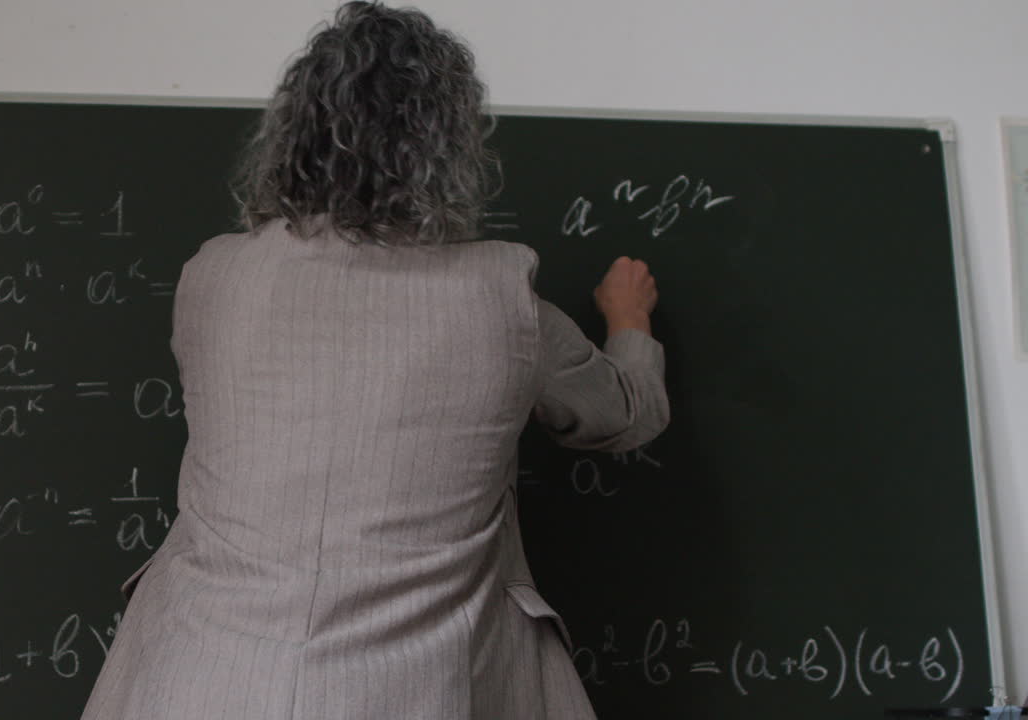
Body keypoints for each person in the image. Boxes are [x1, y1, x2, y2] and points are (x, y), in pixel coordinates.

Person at [79, 3, 668, 719]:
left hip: (196, 679)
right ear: (448, 147)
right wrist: (629, 321)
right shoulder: (501, 293)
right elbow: (623, 416)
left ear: (292, 134)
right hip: (421, 692)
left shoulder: (215, 278)